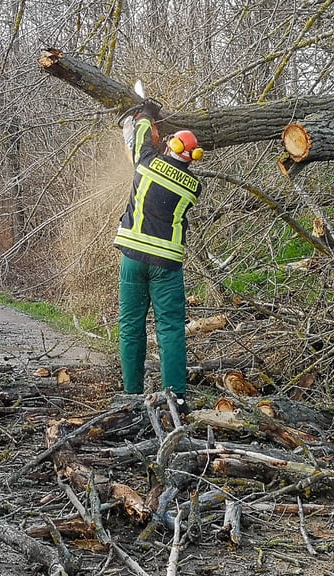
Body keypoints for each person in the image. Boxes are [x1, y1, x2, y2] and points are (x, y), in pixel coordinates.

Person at [114, 109, 205, 414]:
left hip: (133, 259)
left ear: (170, 148)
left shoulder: (147, 164)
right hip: (166, 264)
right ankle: (176, 398)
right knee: (170, 329)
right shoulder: (193, 187)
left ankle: (131, 393)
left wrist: (143, 115)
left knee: (130, 327)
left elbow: (139, 139)